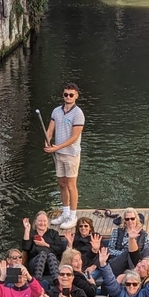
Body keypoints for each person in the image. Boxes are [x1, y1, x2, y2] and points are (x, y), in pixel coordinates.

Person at [45, 82, 85, 230]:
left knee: (71, 185)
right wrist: (47, 140)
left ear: (76, 96)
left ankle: (73, 216)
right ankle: (65, 212)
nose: (68, 97)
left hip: (71, 154)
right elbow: (50, 130)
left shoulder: (78, 113)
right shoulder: (56, 111)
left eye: (71, 95)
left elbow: (74, 137)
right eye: (65, 94)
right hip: (59, 153)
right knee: (61, 183)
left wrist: (57, 146)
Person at [106, 208, 149, 275]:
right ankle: (135, 274)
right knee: (129, 251)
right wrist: (124, 254)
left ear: (136, 219)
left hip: (137, 263)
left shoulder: (144, 234)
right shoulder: (116, 231)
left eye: (132, 218)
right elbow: (110, 250)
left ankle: (147, 272)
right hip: (117, 263)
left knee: (148, 249)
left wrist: (139, 261)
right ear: (124, 220)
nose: (130, 221)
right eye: (127, 219)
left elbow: (146, 252)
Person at [22, 211, 66, 279]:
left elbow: (60, 250)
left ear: (47, 222)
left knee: (51, 255)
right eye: (40, 221)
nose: (42, 223)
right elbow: (26, 248)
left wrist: (45, 244)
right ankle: (37, 280)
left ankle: (57, 281)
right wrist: (27, 230)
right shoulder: (31, 234)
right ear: (35, 222)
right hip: (35, 264)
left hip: (52, 264)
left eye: (44, 221)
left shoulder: (53, 233)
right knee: (42, 253)